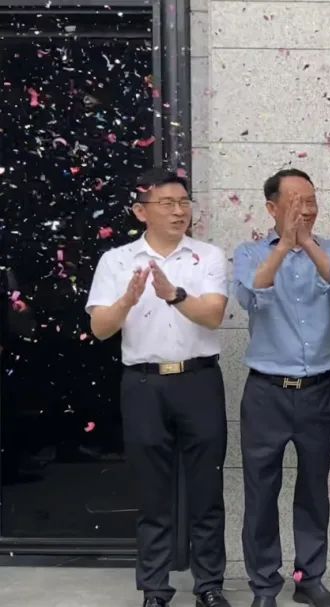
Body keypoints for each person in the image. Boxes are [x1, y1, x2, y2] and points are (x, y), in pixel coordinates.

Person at [86, 169, 230, 607]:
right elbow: (100, 328)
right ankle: (155, 588)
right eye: (167, 203)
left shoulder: (207, 256)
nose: (178, 211)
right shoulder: (117, 261)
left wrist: (174, 294)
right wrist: (128, 299)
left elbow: (213, 315)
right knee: (152, 493)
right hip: (144, 384)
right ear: (140, 211)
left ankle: (209, 586)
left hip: (199, 380)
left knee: (207, 490)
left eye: (184, 202)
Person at [232, 169, 330, 607]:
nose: (306, 209)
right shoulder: (249, 253)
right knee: (261, 491)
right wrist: (284, 246)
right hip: (266, 391)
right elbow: (250, 296)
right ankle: (264, 585)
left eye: (311, 200)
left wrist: (307, 244)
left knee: (314, 488)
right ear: (272, 208)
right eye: (295, 201)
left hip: (318, 389)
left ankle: (309, 579)